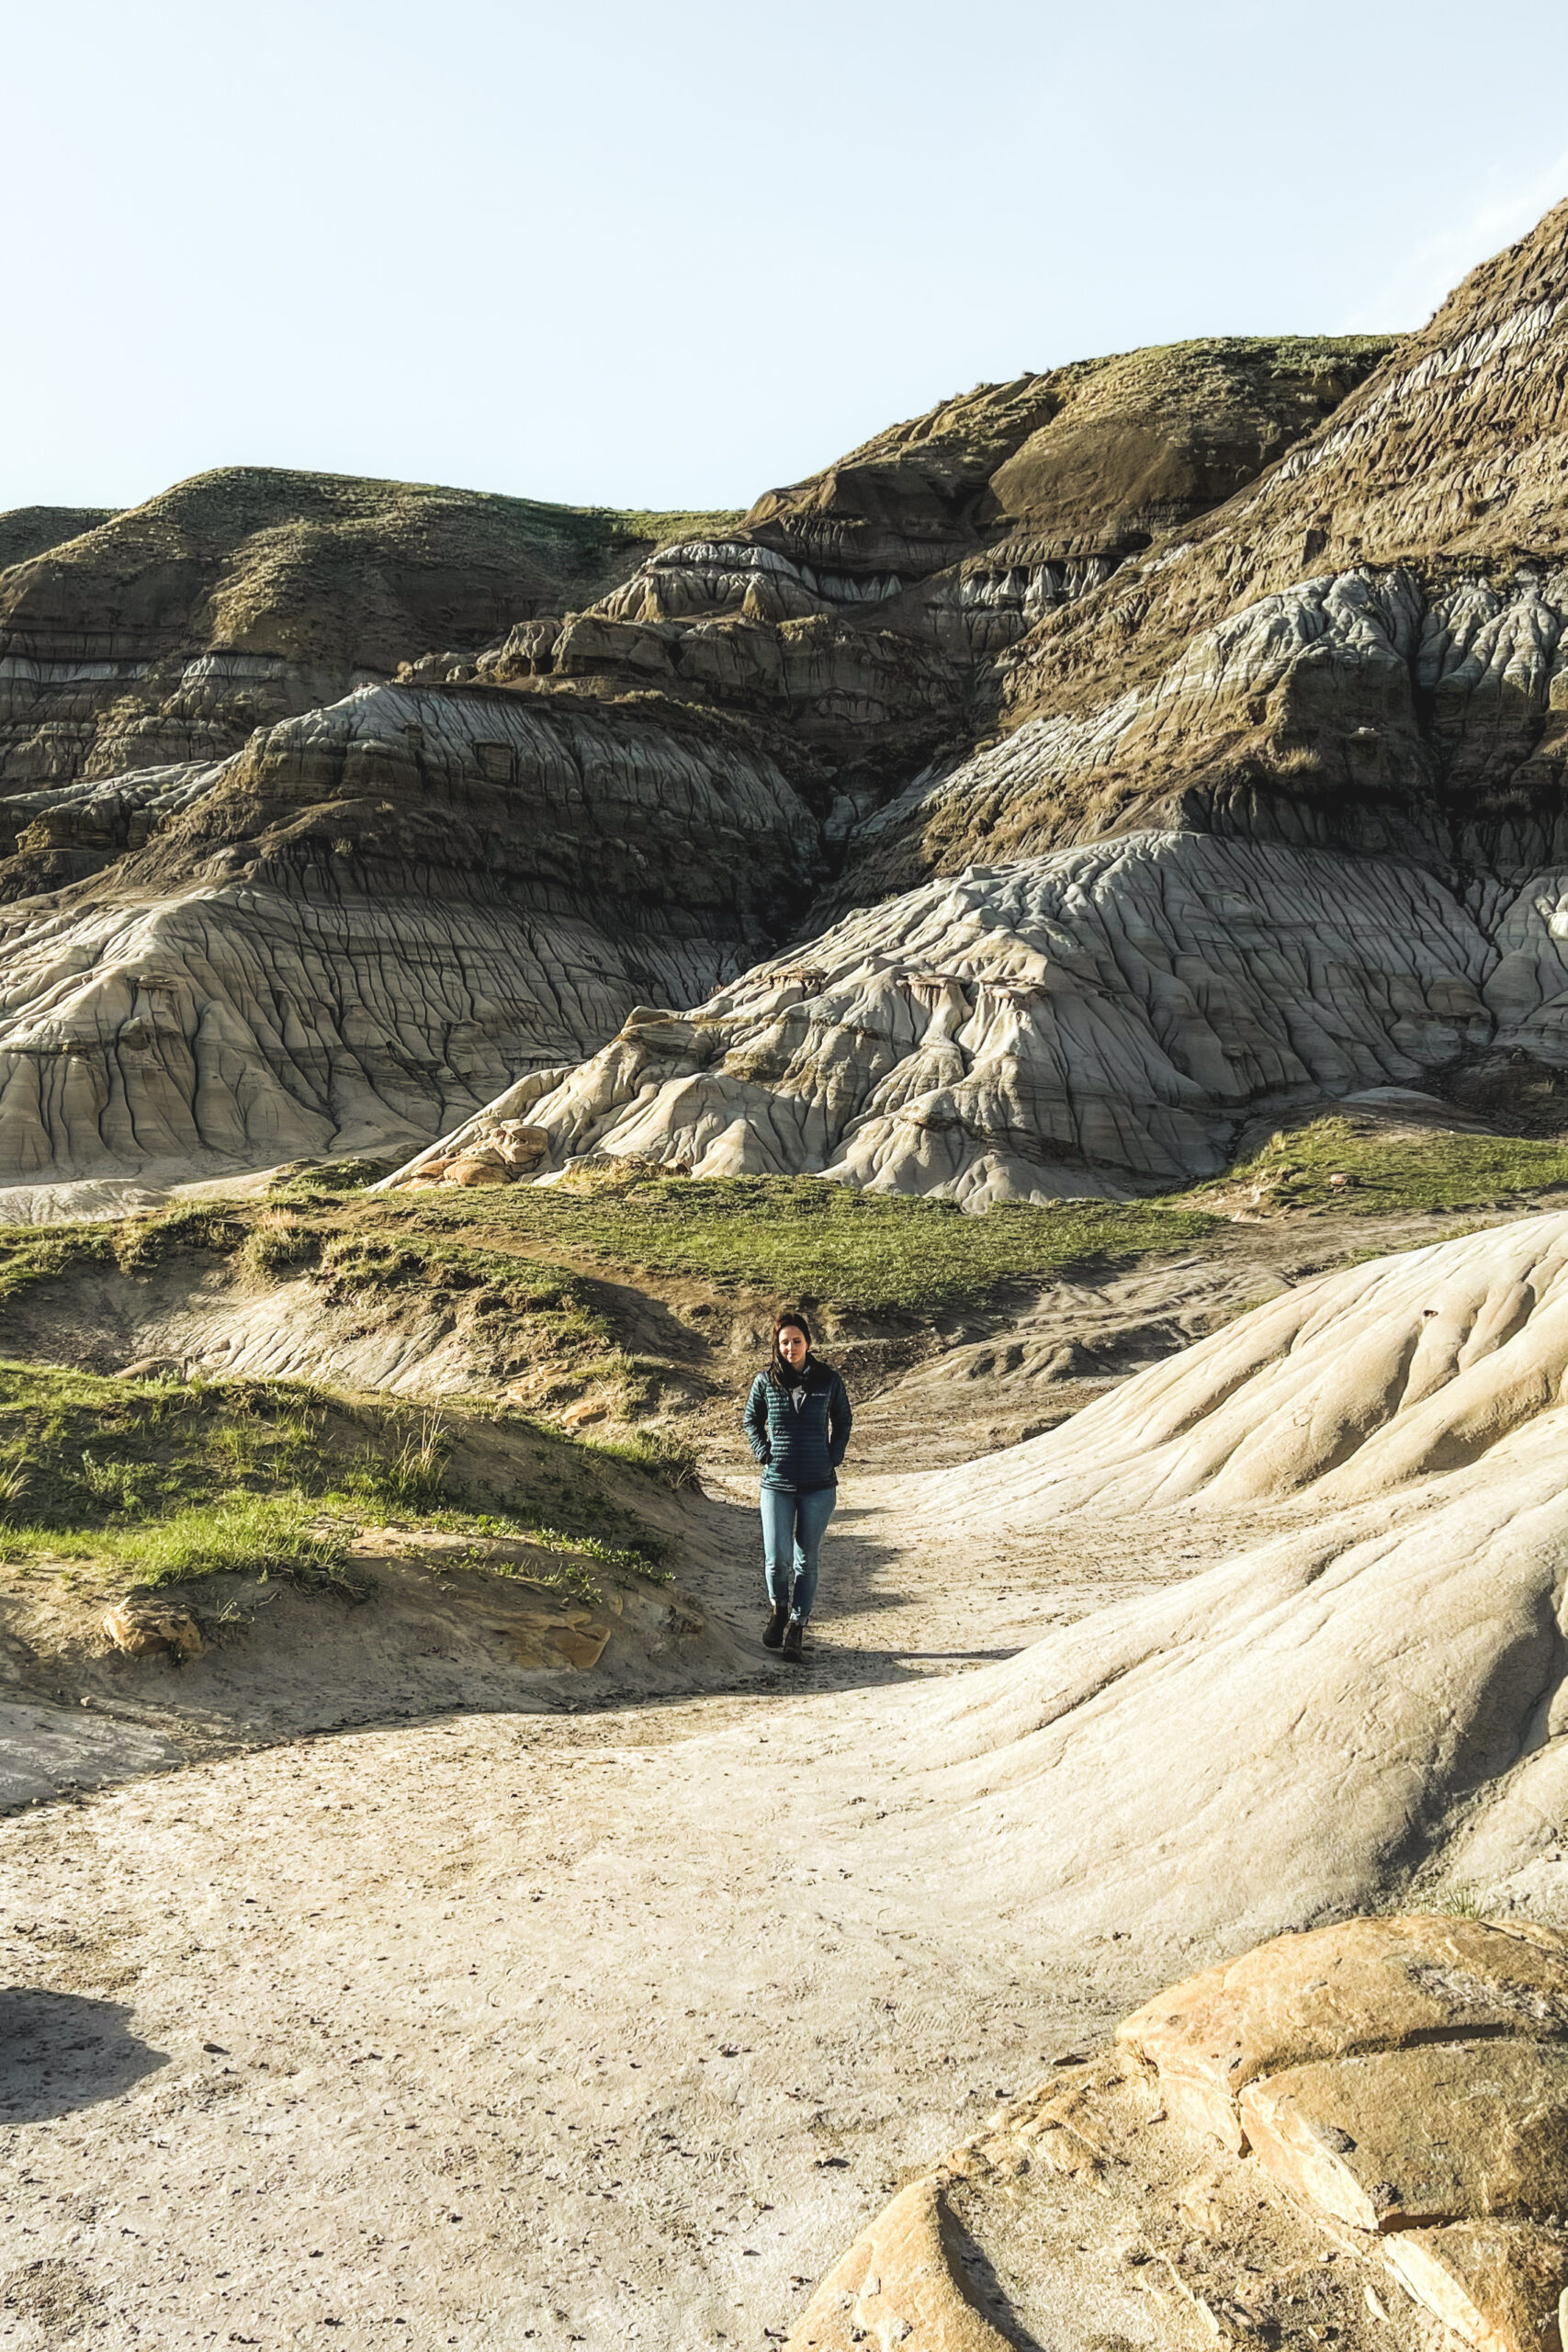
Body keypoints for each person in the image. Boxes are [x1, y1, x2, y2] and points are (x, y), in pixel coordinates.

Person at [742, 1308, 852, 1661]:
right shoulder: (765, 1381)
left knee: (807, 1560)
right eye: (784, 1343)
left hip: (819, 1486)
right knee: (778, 1560)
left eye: (797, 1341)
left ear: (808, 1342)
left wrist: (832, 1455)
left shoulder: (828, 1380)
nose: (791, 1348)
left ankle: (797, 1628)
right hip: (776, 1484)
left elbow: (844, 1419)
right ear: (777, 1346)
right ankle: (778, 1611)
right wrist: (763, 1451)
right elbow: (751, 1419)